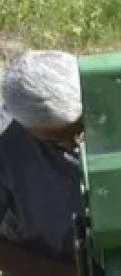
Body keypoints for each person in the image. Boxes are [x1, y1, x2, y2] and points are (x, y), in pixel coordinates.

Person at [0, 50, 84, 276]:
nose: (75, 142)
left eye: (80, 127)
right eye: (57, 137)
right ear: (24, 125)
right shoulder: (5, 145)